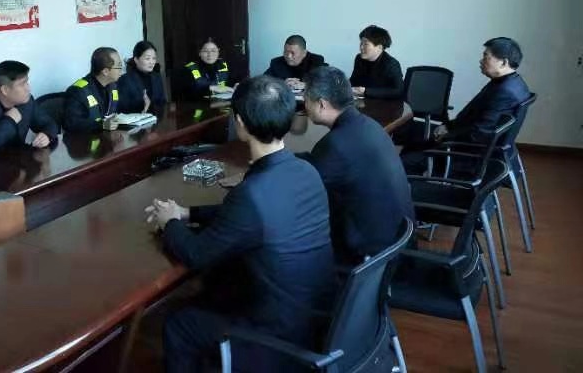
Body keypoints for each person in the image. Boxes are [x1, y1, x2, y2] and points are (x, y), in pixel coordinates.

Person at [146, 76, 335, 372]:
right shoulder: (305, 171)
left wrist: (169, 222)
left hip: (277, 332)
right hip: (317, 312)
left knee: (180, 324)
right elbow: (242, 217)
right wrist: (186, 213)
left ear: (240, 123)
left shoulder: (251, 194)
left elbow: (196, 254)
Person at [300, 67, 414, 264]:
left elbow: (302, 188)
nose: (304, 104)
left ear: (321, 104)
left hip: (373, 260)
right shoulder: (368, 125)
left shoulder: (336, 144)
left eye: (306, 99)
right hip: (398, 241)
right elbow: (321, 166)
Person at [400, 37, 531, 174]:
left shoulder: (504, 91)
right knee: (413, 141)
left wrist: (447, 134)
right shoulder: (512, 84)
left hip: (469, 155)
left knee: (404, 162)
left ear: (503, 62)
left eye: (486, 56)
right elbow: (473, 118)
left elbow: (480, 134)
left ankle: (416, 184)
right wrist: (448, 126)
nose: (481, 61)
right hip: (474, 146)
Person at [0, 60, 59, 159]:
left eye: (27, 82)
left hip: (17, 162)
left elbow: (49, 123)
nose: (28, 88)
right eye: (22, 84)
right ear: (5, 90)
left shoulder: (26, 101)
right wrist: (9, 121)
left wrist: (47, 135)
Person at [64, 47, 123, 132]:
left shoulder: (112, 86)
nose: (121, 70)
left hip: (107, 136)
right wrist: (101, 125)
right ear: (105, 71)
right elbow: (71, 124)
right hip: (85, 139)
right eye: (119, 66)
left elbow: (115, 111)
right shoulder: (78, 91)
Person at [349, 25, 404, 99]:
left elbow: (398, 91)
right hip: (363, 101)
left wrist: (366, 91)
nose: (361, 47)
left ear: (379, 47)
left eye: (366, 44)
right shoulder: (359, 59)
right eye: (361, 43)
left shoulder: (391, 64)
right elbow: (353, 81)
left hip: (385, 103)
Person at [117, 40, 166, 114]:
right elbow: (122, 107)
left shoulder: (156, 77)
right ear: (136, 60)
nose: (151, 62)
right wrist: (143, 105)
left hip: (156, 118)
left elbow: (162, 101)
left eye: (154, 58)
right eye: (147, 58)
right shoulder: (125, 80)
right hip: (136, 119)